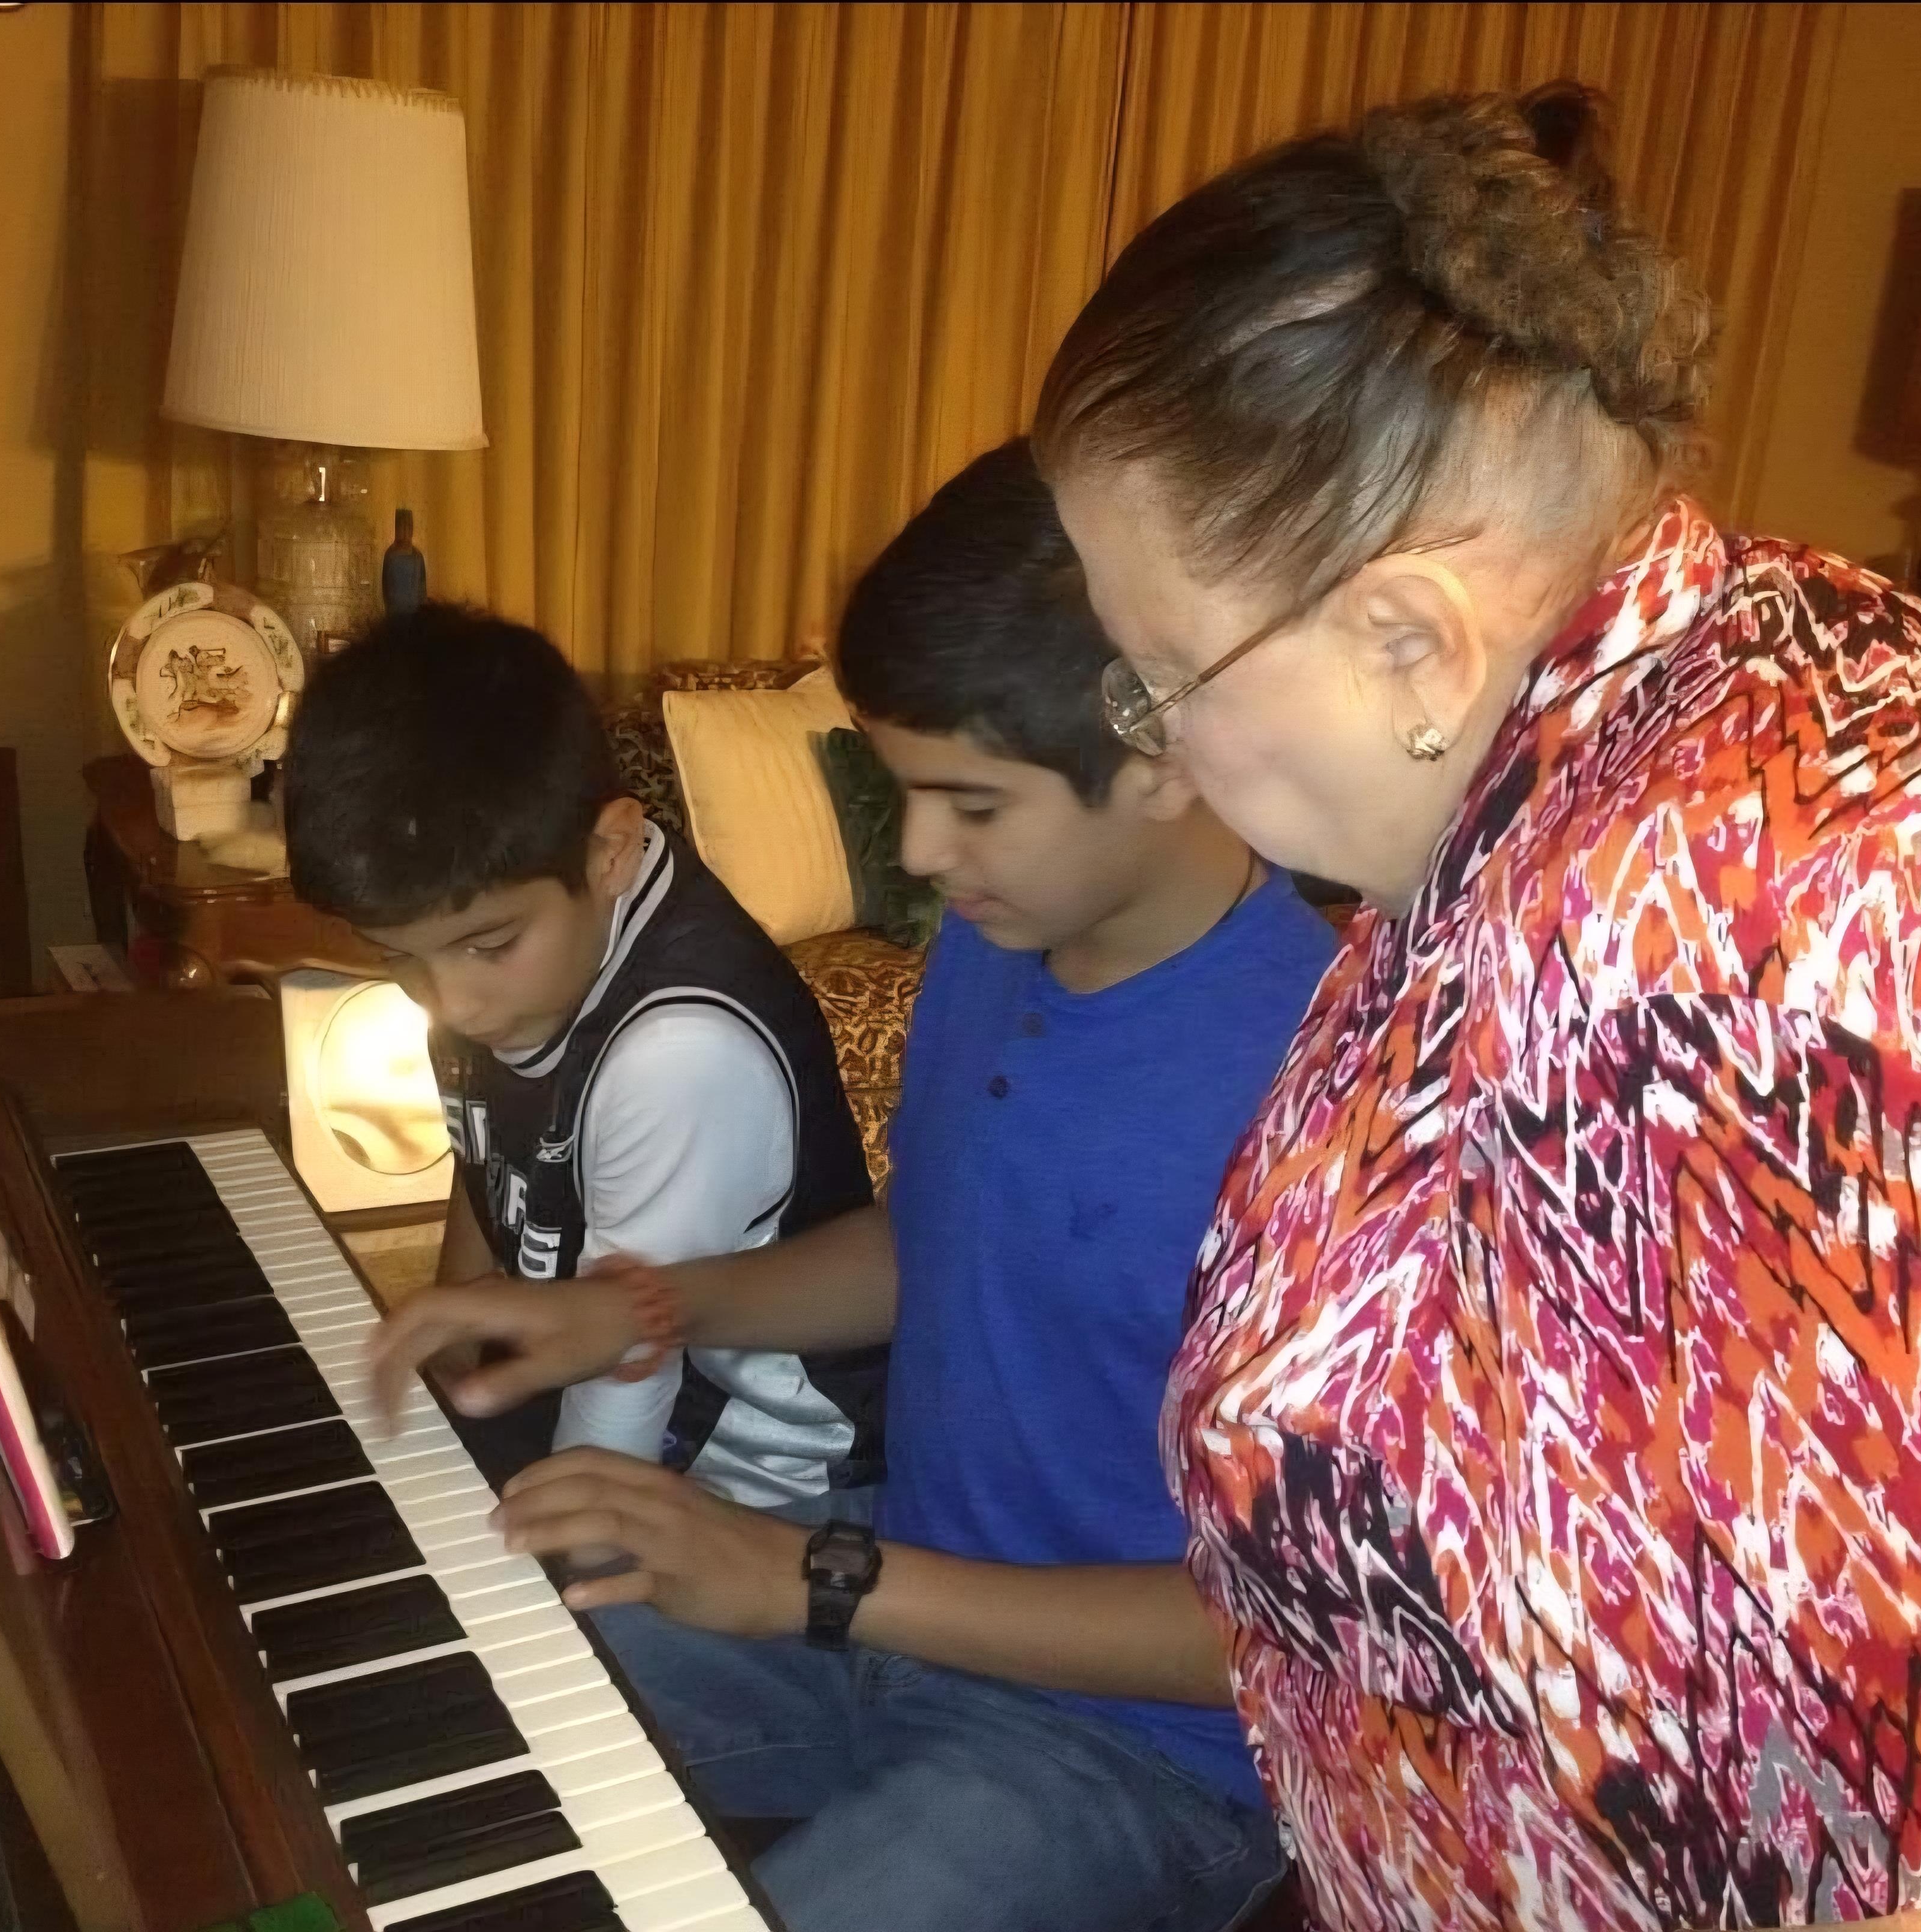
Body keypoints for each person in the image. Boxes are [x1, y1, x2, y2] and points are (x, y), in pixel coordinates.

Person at [1032, 81, 1921, 1932]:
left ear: (1411, 641)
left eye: (1162, 670)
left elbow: (1915, 1874)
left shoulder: (1681, 1013)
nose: (1150, 742)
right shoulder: (1730, 645)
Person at [366, 442, 1336, 1932]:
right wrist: (645, 1306)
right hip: (894, 1591)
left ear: (1163, 747)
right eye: (904, 793)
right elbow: (934, 1242)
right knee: (431, 1685)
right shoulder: (1000, 940)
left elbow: (1280, 1638)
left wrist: (813, 1577)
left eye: (970, 803)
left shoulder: (1325, 1096)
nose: (924, 853)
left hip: (1136, 1755)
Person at [285, 603, 885, 1517]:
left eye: (489, 946)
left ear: (610, 852)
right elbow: (488, 1165)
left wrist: (549, 1570)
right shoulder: (507, 949)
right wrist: (443, 1378)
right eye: (398, 957)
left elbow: (628, 1373)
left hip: (766, 1484)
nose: (450, 1003)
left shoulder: (678, 1056)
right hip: (604, 1402)